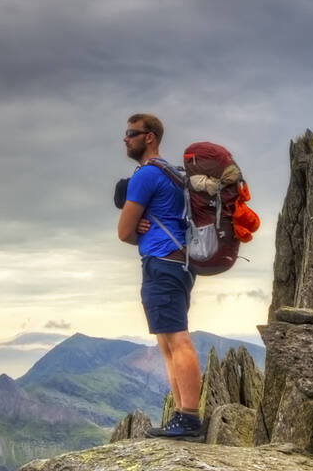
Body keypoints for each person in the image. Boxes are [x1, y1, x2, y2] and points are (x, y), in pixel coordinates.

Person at [115, 112, 202, 440]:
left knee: (176, 340)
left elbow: (123, 232)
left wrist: (136, 228)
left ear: (149, 137)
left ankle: (190, 418)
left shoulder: (147, 176)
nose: (126, 138)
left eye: (131, 133)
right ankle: (182, 415)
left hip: (162, 263)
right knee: (167, 341)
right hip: (180, 264)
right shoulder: (174, 175)